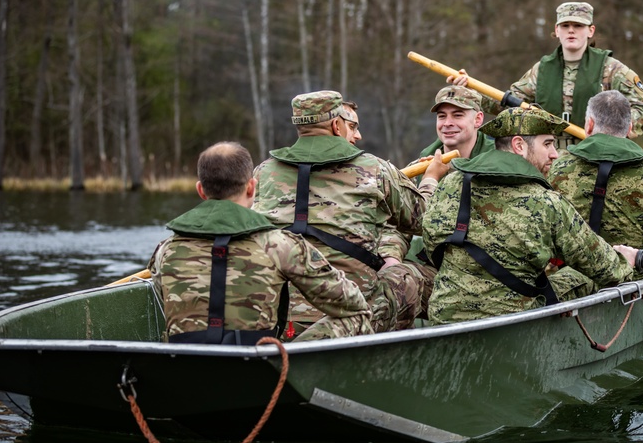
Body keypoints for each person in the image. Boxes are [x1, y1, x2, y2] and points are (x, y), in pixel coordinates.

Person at [423, 106, 642, 324]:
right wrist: (626, 260)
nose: (555, 154)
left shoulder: (451, 183)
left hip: (444, 314)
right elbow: (606, 269)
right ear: (519, 145)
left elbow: (432, 243)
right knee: (581, 276)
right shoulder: (547, 202)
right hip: (512, 320)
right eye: (547, 143)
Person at [252, 91, 446, 334]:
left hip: (279, 315)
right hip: (350, 317)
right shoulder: (375, 169)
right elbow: (423, 220)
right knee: (409, 277)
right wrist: (430, 179)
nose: (358, 135)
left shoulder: (263, 172)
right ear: (336, 125)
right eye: (350, 125)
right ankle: (392, 354)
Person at [149, 141, 372, 344]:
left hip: (186, 364)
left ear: (200, 190)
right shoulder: (280, 244)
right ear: (251, 187)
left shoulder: (165, 249)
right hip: (261, 368)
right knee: (357, 317)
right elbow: (351, 303)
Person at [448, 1, 643, 146]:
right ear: (557, 30)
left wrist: (612, 134)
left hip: (595, 155)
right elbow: (505, 105)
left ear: (590, 31)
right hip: (549, 157)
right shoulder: (541, 70)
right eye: (566, 26)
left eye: (578, 26)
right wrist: (469, 88)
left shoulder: (612, 69)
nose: (571, 31)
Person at [548, 90, 643, 254]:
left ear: (590, 125)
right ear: (629, 128)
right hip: (637, 273)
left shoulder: (559, 165)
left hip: (572, 274)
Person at [415, 85, 495, 163]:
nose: (447, 123)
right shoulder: (423, 162)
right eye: (442, 116)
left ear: (478, 119)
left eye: (457, 115)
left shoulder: (498, 161)